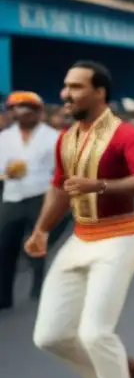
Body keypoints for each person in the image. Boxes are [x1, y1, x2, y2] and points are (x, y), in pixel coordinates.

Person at [27, 61, 134, 378]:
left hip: (120, 238)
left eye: (76, 87)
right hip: (80, 238)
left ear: (99, 91)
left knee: (94, 333)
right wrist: (41, 230)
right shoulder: (65, 138)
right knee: (48, 336)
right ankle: (126, 371)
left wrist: (98, 185)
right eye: (65, 87)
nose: (66, 94)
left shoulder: (127, 134)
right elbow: (60, 189)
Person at [0, 91, 64, 307]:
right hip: (12, 196)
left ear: (38, 112)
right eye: (18, 110)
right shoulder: (5, 137)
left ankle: (38, 289)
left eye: (29, 110)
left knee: (37, 243)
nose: (23, 114)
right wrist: (8, 172)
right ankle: (4, 297)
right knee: (5, 246)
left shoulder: (52, 137)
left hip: (40, 195)